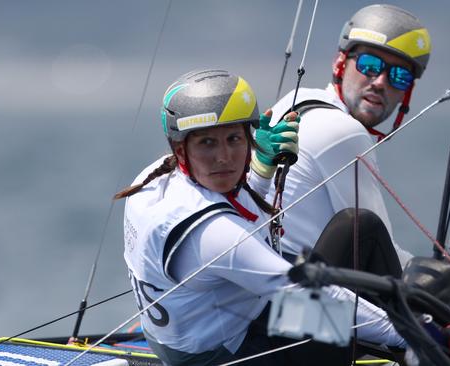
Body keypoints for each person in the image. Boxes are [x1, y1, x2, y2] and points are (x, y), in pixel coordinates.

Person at [115, 69, 405, 365]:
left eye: (233, 138)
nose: (224, 156)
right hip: (231, 355)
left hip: (194, 336)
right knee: (350, 304)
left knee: (357, 226)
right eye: (207, 143)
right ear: (181, 148)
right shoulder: (215, 235)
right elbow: (306, 295)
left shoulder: (153, 181)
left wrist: (262, 172)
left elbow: (243, 226)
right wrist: (411, 333)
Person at [269, 4, 432, 272]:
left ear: (407, 92)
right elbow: (381, 250)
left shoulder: (297, 99)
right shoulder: (343, 131)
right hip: (294, 294)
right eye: (370, 64)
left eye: (399, 76)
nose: (380, 81)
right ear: (340, 63)